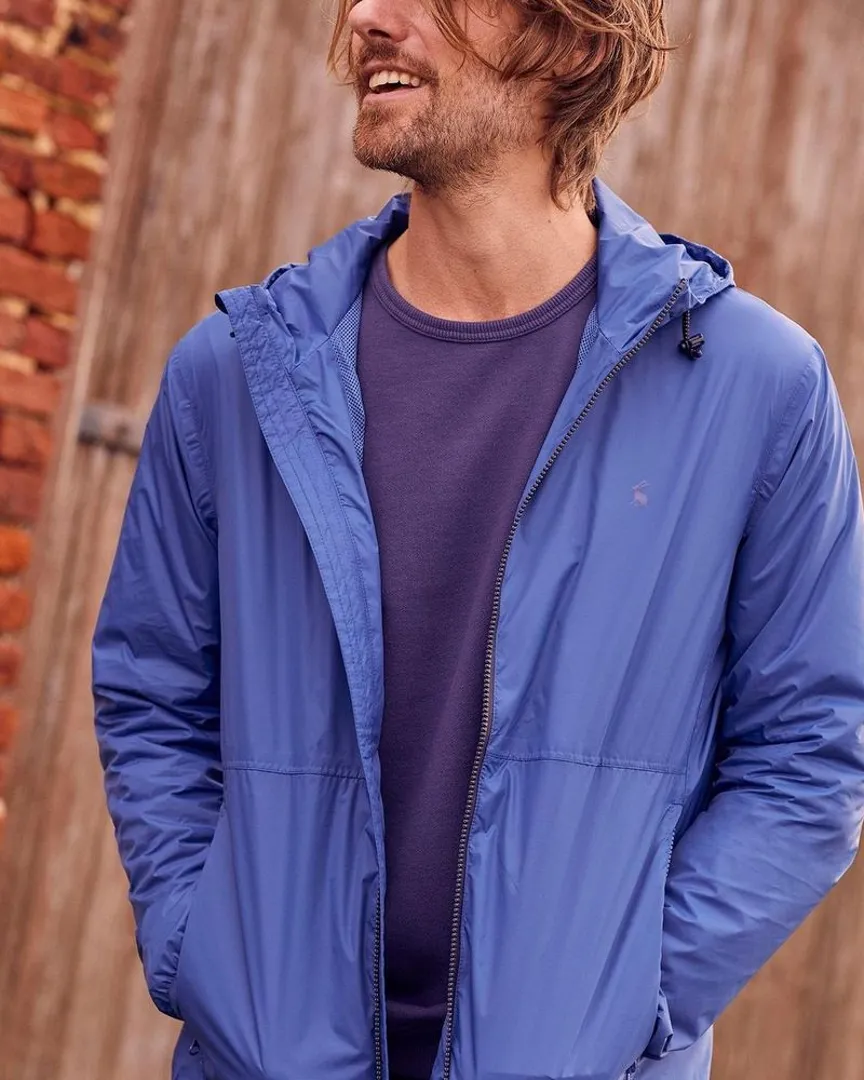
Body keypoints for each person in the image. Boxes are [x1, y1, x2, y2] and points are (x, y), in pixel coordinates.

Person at [91, 1, 864, 1078]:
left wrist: (634, 996)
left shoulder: (755, 387)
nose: (368, 17)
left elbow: (812, 752)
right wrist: (198, 945)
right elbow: (152, 692)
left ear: (576, 40)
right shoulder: (234, 374)